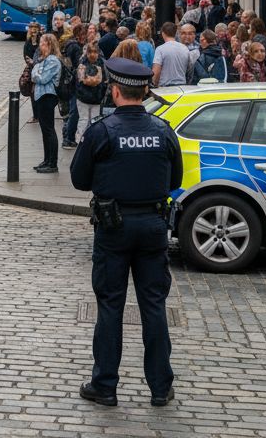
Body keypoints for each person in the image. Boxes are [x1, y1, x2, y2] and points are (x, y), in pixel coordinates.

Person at [70, 56, 183, 409]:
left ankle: (104, 385)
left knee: (110, 306)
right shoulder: (164, 130)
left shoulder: (102, 131)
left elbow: (78, 179)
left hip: (113, 228)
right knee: (154, 306)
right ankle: (161, 387)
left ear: (115, 90)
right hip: (152, 226)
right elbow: (176, 181)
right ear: (144, 92)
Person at [30, 33, 63, 173]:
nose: (40, 45)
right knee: (44, 130)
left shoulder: (53, 60)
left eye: (42, 43)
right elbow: (35, 75)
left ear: (49, 45)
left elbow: (42, 78)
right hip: (40, 96)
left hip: (48, 96)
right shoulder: (43, 60)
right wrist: (36, 71)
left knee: (49, 130)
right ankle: (46, 160)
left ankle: (53, 163)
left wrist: (35, 72)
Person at [75, 41, 107, 142]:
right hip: (83, 97)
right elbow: (84, 80)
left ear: (98, 53)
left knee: (95, 121)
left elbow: (102, 80)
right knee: (84, 120)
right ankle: (80, 141)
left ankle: (93, 141)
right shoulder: (82, 64)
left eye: (95, 52)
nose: (92, 54)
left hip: (96, 98)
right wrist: (96, 81)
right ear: (87, 53)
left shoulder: (101, 63)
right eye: (90, 52)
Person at [151, 22, 190, 87]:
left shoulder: (160, 49)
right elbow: (189, 69)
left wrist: (154, 84)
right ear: (175, 33)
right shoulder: (185, 48)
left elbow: (156, 71)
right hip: (182, 87)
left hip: (165, 88)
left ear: (163, 33)